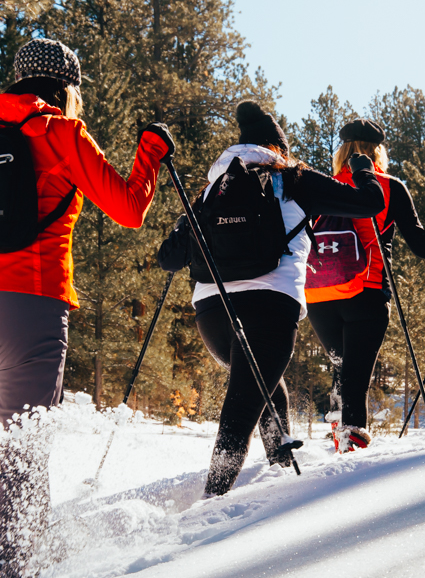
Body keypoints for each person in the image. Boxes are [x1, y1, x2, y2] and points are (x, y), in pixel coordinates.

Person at [0, 38, 174, 578]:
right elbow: (129, 209)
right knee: (25, 447)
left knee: (31, 430)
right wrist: (148, 152)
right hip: (27, 307)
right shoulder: (61, 133)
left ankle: (32, 547)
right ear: (67, 88)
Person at [157, 101, 385, 496]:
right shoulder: (292, 177)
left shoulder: (213, 187)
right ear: (278, 147)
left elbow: (169, 258)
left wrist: (187, 223)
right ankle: (213, 500)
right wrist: (364, 171)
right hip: (269, 306)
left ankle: (278, 460)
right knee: (243, 405)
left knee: (258, 382)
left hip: (212, 311)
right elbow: (371, 204)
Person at [303, 118, 425, 453]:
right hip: (366, 293)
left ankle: (339, 429)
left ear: (342, 151)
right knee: (355, 375)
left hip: (318, 295)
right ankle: (350, 444)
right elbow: (424, 248)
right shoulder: (389, 187)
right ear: (377, 152)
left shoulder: (321, 186)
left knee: (343, 369)